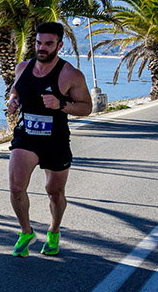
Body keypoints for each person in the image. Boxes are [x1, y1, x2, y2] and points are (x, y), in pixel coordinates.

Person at [6, 21, 93, 257]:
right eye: (38, 42)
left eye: (48, 44)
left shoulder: (70, 74)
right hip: (26, 138)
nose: (42, 48)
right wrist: (13, 101)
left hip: (55, 142)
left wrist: (61, 104)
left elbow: (86, 108)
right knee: (16, 188)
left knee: (54, 191)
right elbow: (15, 92)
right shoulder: (22, 68)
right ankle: (26, 232)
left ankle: (54, 231)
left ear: (59, 45)